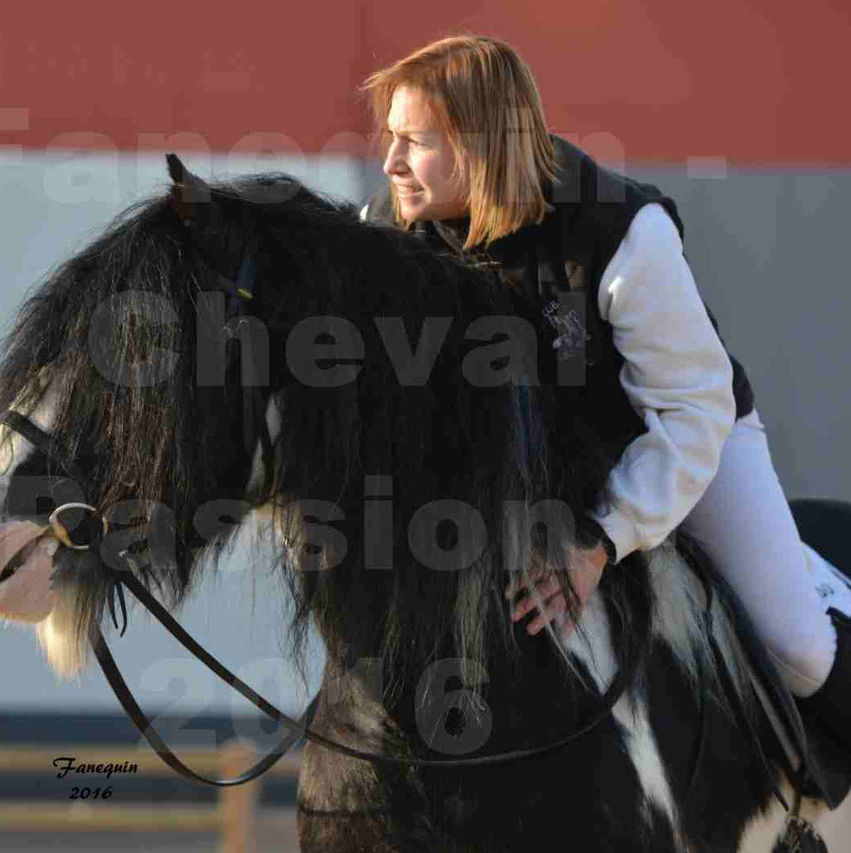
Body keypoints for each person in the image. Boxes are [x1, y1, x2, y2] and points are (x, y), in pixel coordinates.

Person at [358, 34, 851, 801]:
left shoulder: (622, 229)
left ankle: (823, 596)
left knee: (798, 648)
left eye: (413, 142)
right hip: (545, 463)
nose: (389, 161)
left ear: (484, 144)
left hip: (681, 438)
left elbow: (693, 411)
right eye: (388, 136)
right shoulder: (395, 240)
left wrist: (600, 542)